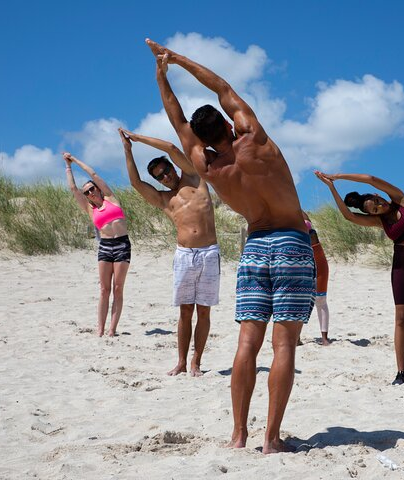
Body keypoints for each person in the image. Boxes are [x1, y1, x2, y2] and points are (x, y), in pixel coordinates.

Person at [145, 39, 315, 454]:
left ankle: (238, 435)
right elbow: (221, 85)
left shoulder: (207, 166)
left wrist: (160, 78)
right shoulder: (253, 137)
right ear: (226, 121)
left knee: (246, 344)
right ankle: (271, 439)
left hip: (255, 246)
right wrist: (177, 59)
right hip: (292, 240)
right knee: (284, 345)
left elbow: (176, 120)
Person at [315, 171, 404, 385]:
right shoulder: (381, 222)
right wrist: (331, 188)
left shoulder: (401, 200)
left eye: (377, 202)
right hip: (402, 266)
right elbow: (349, 216)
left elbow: (371, 179)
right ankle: (401, 373)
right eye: (374, 209)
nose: (379, 206)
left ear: (378, 196)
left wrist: (337, 176)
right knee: (402, 318)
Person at [119, 128, 220, 377]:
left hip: (209, 253)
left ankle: (197, 361)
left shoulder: (195, 177)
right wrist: (128, 150)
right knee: (185, 311)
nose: (165, 177)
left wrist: (137, 138)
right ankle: (182, 362)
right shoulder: (165, 199)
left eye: (166, 171)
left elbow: (171, 148)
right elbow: (135, 183)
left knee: (204, 310)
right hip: (185, 255)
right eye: (160, 177)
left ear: (173, 168)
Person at [63, 152, 130, 337]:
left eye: (92, 189)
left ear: (98, 189)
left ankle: (111, 330)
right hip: (105, 247)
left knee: (118, 288)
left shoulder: (111, 198)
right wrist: (68, 166)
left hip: (122, 245)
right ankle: (100, 329)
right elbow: (72, 188)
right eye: (87, 192)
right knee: (104, 289)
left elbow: (93, 174)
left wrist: (75, 160)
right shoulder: (90, 209)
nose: (90, 193)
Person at [302, 210, 330, 345]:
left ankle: (324, 338)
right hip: (303, 261)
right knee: (301, 302)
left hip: (317, 259)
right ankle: (296, 338)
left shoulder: (306, 224)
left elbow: (307, 221)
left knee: (320, 300)